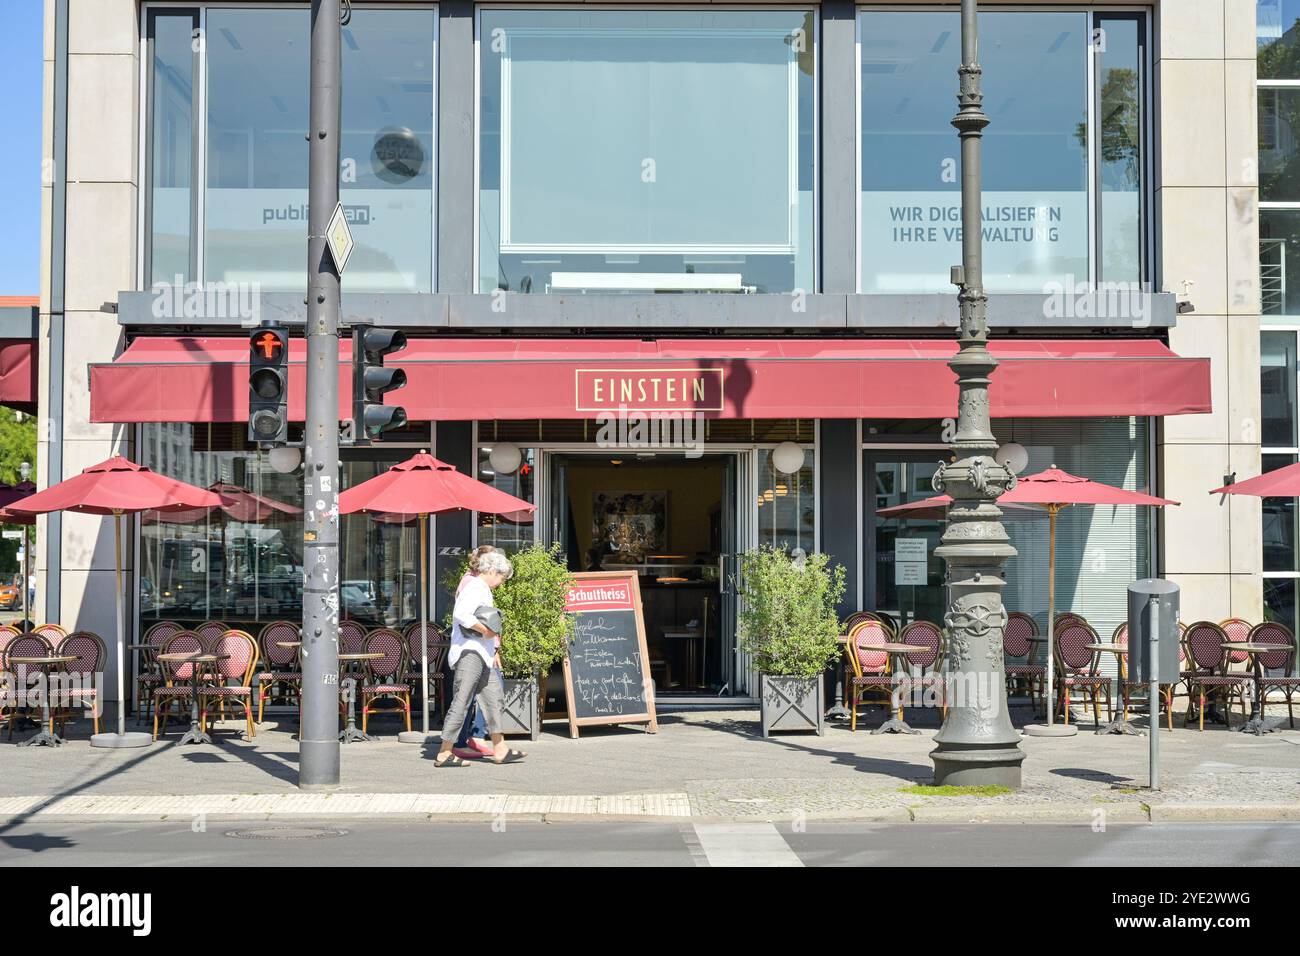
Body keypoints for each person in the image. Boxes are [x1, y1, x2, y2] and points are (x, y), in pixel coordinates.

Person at [435, 549, 525, 767]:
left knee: (494, 699)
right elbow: (461, 614)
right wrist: (485, 631)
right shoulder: (475, 586)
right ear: (493, 571)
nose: (501, 583)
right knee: (462, 700)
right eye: (502, 578)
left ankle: (500, 749)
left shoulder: (481, 587)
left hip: (481, 654)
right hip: (470, 652)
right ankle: (444, 753)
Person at [451, 547, 499, 760]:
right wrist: (487, 633)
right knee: (468, 696)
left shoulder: (475, 582)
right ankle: (463, 741)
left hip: (481, 647)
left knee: (473, 695)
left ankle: (469, 739)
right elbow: (467, 616)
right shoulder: (472, 583)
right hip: (472, 648)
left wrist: (494, 645)